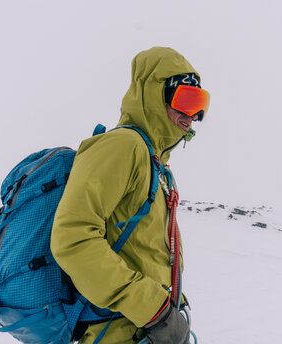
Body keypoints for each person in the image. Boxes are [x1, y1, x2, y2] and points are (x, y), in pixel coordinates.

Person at [50, 47, 209, 344]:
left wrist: (173, 304)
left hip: (144, 332)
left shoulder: (156, 166)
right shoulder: (123, 146)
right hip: (117, 332)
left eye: (201, 104)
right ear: (154, 94)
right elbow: (72, 237)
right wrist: (154, 309)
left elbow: (146, 254)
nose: (194, 116)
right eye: (187, 101)